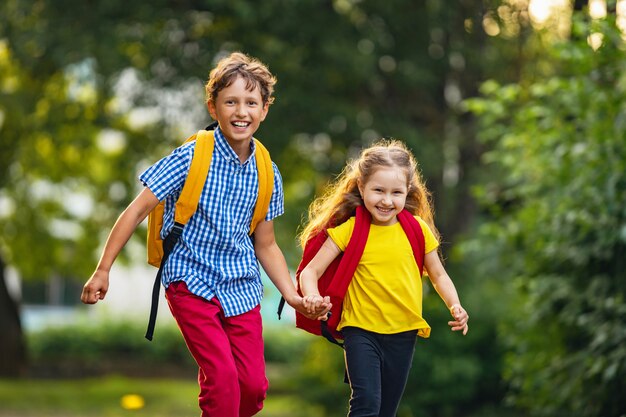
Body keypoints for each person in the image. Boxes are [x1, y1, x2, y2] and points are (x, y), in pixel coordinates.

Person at [80, 51, 330, 417]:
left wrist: (292, 296)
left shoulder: (267, 171)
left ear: (264, 110)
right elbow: (136, 210)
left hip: (241, 285)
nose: (241, 111)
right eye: (230, 101)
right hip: (190, 279)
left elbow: (267, 244)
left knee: (253, 388)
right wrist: (103, 269)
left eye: (251, 102)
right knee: (223, 380)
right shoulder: (191, 156)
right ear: (214, 108)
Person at [298, 139, 469, 417]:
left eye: (396, 192)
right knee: (366, 403)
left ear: (407, 192)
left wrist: (455, 305)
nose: (387, 201)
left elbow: (438, 274)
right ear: (362, 187)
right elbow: (310, 272)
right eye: (378, 190)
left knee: (386, 411)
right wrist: (313, 296)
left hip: (403, 333)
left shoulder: (417, 230)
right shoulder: (351, 229)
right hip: (360, 330)